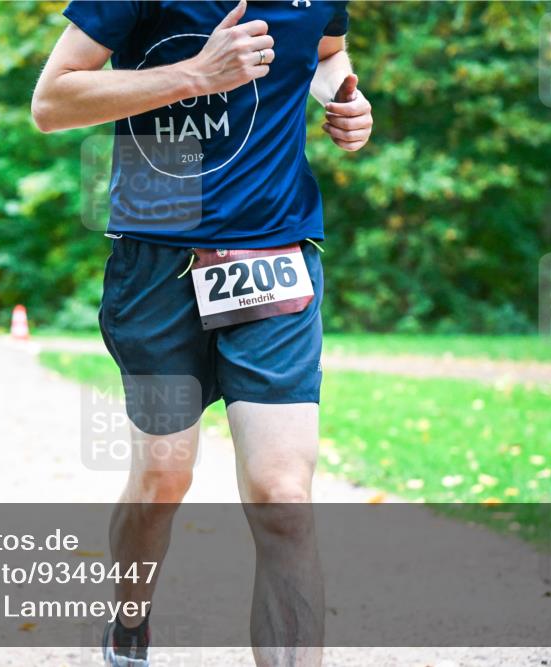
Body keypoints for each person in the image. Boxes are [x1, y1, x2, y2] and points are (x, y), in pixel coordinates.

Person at [31, 1, 372, 666]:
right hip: (155, 258)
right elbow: (52, 101)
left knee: (281, 491)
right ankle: (130, 616)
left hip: (274, 253)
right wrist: (196, 74)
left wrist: (348, 101)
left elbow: (328, 54)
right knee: (163, 476)